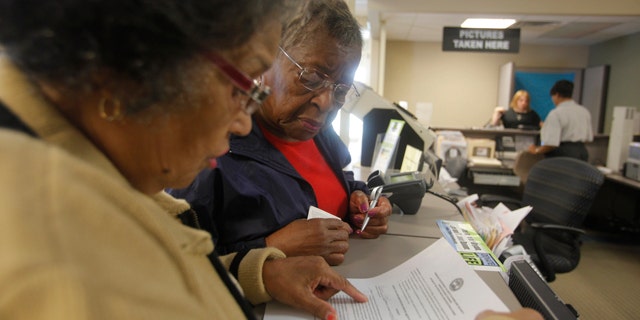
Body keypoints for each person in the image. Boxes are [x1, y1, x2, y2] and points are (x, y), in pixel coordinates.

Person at [0, 1, 369, 319]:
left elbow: (153, 272)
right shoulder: (45, 256)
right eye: (243, 82)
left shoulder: (102, 172)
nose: (244, 121)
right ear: (140, 57)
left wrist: (258, 273)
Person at [170, 0, 392, 267]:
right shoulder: (212, 151)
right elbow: (178, 267)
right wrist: (272, 247)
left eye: (341, 90)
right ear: (265, 60)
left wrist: (360, 199)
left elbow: (337, 179)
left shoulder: (318, 132)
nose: (326, 103)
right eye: (310, 77)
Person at [527, 80, 593, 161]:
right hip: (582, 152)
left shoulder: (556, 114)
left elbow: (551, 144)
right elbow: (588, 138)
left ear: (557, 95)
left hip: (562, 155)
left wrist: (536, 150)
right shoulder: (584, 111)